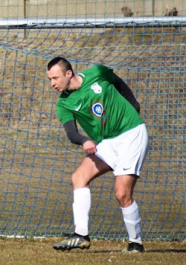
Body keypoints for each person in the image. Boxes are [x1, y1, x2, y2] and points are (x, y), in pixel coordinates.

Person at [46, 57, 148, 253]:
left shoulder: (97, 73)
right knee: (78, 177)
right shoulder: (64, 104)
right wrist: (84, 140)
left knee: (122, 193)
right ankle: (81, 235)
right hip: (108, 142)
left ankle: (136, 243)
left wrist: (133, 104)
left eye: (55, 78)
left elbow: (118, 82)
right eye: (50, 79)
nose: (52, 84)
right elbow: (71, 133)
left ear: (69, 74)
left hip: (131, 134)